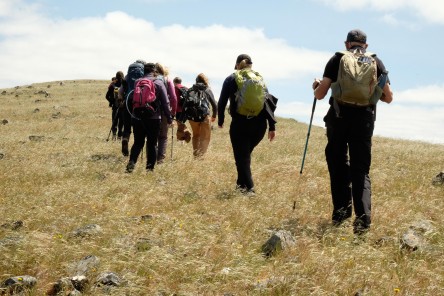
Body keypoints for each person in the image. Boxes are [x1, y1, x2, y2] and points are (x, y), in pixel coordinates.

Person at [313, 29, 393, 234]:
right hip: (364, 120)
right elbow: (389, 97)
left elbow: (321, 94)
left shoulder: (337, 59)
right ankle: (363, 223)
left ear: (347, 43)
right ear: (365, 45)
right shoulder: (377, 62)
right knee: (361, 170)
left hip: (339, 118)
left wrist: (316, 86)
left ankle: (341, 215)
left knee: (338, 163)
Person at [218, 54, 276, 195]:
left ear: (237, 65)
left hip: (240, 124)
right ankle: (240, 186)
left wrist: (220, 120)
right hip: (260, 125)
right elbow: (268, 102)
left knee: (242, 157)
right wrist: (272, 126)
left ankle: (250, 189)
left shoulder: (231, 78)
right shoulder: (259, 79)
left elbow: (222, 102)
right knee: (243, 156)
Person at [126, 63, 173, 173]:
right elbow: (166, 102)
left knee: (138, 142)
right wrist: (169, 118)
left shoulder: (138, 82)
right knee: (152, 144)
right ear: (154, 71)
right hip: (153, 118)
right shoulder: (159, 82)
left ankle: (131, 165)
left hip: (137, 117)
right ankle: (149, 170)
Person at [187, 73, 217, 158]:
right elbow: (214, 104)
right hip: (205, 116)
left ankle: (196, 155)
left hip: (192, 117)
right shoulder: (207, 89)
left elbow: (186, 104)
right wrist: (214, 116)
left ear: (196, 81)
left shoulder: (191, 89)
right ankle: (201, 157)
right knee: (205, 137)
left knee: (196, 135)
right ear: (205, 81)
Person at [119, 60, 146, 156]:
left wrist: (121, 100)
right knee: (137, 127)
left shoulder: (127, 76)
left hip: (127, 102)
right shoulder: (144, 75)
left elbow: (120, 92)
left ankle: (125, 139)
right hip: (138, 103)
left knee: (126, 127)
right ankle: (136, 148)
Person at [155, 63, 177, 163]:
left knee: (152, 136)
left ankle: (151, 158)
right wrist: (172, 113)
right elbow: (173, 98)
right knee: (163, 136)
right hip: (164, 111)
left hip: (150, 110)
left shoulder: (150, 79)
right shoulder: (167, 80)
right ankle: (160, 159)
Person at [105, 72, 124, 140]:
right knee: (121, 122)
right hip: (123, 107)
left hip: (115, 107)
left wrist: (112, 102)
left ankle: (114, 135)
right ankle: (119, 136)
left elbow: (107, 96)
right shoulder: (124, 84)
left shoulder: (113, 85)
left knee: (114, 121)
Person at [173, 77, 191, 143]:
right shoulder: (186, 88)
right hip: (186, 110)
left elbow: (174, 99)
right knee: (181, 124)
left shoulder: (175, 88)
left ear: (174, 82)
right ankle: (181, 140)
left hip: (178, 109)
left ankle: (184, 135)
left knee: (180, 124)